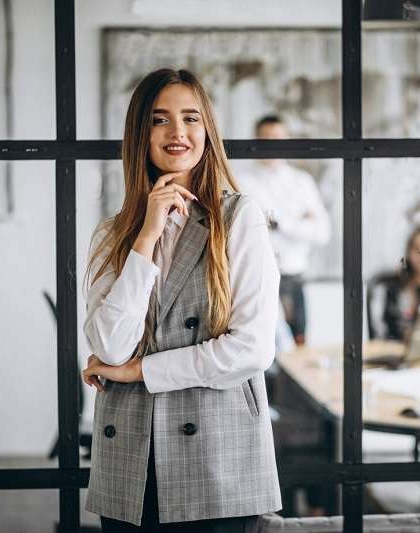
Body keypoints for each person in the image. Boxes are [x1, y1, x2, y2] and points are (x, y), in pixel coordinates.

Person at [79, 68, 282, 532]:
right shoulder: (113, 234)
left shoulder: (239, 217)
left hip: (217, 459)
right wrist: (147, 234)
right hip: (131, 459)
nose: (178, 132)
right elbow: (110, 346)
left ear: (207, 132)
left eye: (191, 118)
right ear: (140, 134)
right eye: (160, 119)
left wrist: (141, 371)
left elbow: (251, 349)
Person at [236, 115, 331, 345]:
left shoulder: (302, 181)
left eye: (277, 138)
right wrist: (300, 220)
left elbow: (323, 232)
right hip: (255, 279)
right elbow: (244, 230)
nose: (271, 144)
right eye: (265, 138)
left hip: (293, 280)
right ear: (255, 140)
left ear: (287, 139)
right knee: (258, 349)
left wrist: (279, 223)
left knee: (298, 351)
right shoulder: (241, 181)